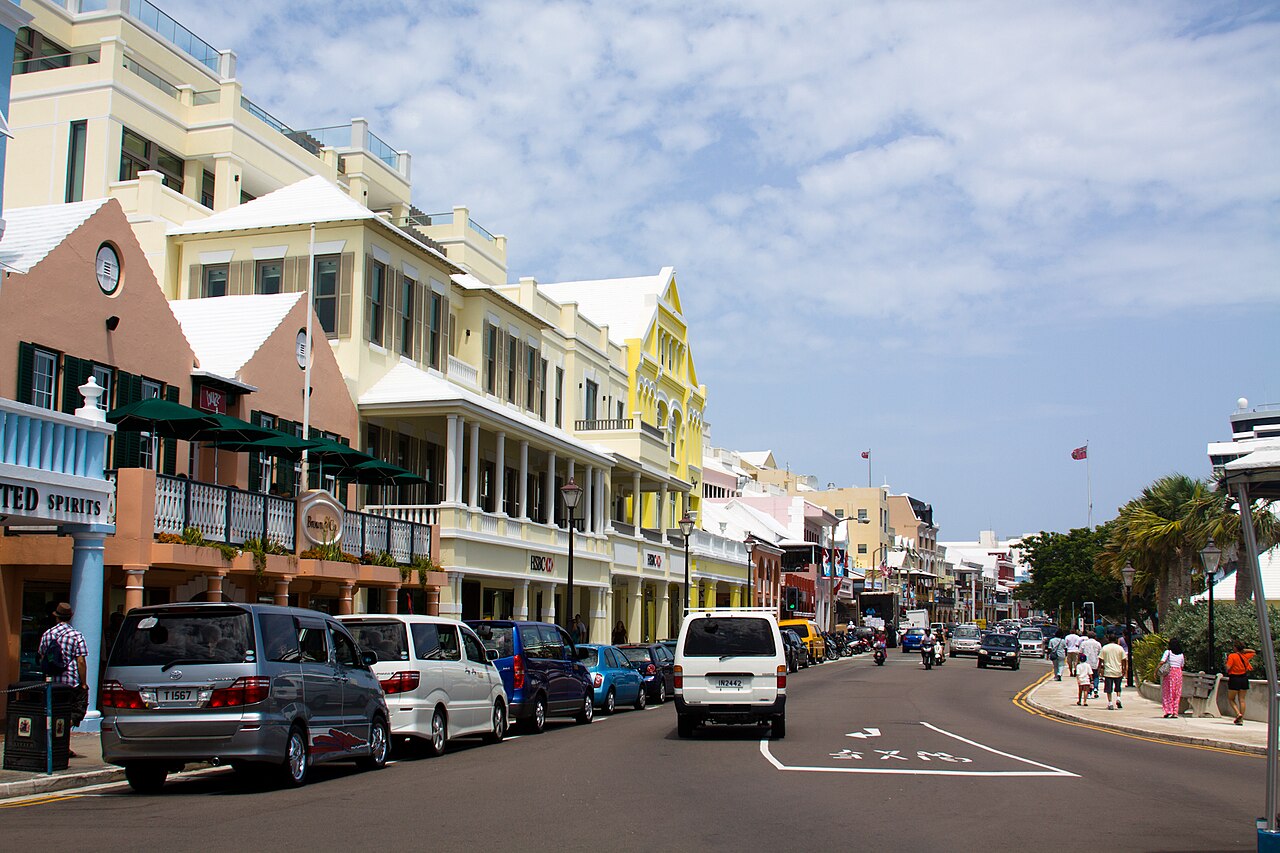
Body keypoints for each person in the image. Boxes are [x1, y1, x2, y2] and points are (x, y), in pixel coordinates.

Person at [38, 602, 89, 745]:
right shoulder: (76, 635)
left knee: (55, 711)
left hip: (52, 681)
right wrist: (83, 683)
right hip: (70, 681)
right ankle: (62, 741)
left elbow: (42, 657)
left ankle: (54, 742)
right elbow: (81, 661)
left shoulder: (47, 634)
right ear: (70, 617)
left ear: (56, 617)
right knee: (75, 711)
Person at [1225, 639, 1257, 725]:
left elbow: (1228, 667)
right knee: (1242, 699)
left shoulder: (1232, 656)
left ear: (1235, 648)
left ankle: (1238, 714)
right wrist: (1243, 650)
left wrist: (1226, 663)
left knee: (1231, 699)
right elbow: (1253, 651)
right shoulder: (1245, 656)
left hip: (1234, 678)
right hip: (1244, 678)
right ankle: (1241, 718)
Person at [1159, 637, 1185, 718]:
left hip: (1169, 674)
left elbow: (1162, 661)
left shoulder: (1168, 652)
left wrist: (1157, 670)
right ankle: (1175, 711)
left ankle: (1168, 710)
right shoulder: (1181, 655)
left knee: (1167, 692)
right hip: (1178, 674)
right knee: (1176, 693)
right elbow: (1182, 665)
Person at [1099, 634, 1127, 710]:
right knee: (1118, 687)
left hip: (1108, 671)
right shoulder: (1120, 648)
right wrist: (1124, 669)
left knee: (1109, 688)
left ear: (1108, 639)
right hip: (1118, 671)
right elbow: (1124, 659)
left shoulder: (1105, 648)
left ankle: (1110, 703)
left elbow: (1100, 660)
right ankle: (1118, 698)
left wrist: (1100, 670)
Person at [1080, 632, 1103, 699]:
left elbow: (1080, 653)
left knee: (1088, 678)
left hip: (1086, 663)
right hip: (1095, 662)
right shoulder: (1098, 644)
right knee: (1095, 676)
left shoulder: (1084, 643)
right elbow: (1100, 653)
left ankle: (1089, 692)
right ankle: (1095, 688)